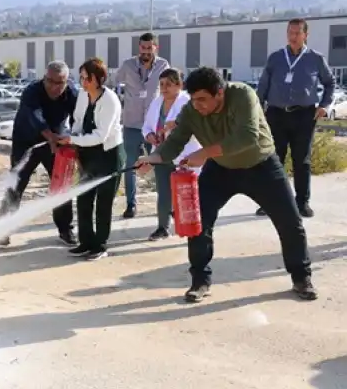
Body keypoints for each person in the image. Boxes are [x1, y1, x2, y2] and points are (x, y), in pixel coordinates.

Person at [136, 67, 317, 303]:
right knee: (198, 223)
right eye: (194, 99)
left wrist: (204, 153)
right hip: (220, 169)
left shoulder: (243, 96)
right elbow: (175, 143)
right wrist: (153, 159)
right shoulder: (192, 110)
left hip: (261, 165)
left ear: (219, 93)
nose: (197, 105)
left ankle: (301, 277)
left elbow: (248, 136)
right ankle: (200, 281)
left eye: (203, 100)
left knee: (290, 223)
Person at [255, 17, 336, 218]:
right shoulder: (275, 58)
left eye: (297, 33)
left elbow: (330, 83)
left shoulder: (315, 59)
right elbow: (263, 85)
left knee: (302, 161)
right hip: (276, 114)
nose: (293, 36)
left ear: (306, 35)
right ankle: (270, 202)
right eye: (290, 32)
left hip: (304, 115)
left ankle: (302, 203)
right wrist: (257, 110)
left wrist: (325, 105)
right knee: (273, 160)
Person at [0, 61, 78, 247]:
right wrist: (49, 136)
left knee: (61, 186)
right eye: (48, 80)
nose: (52, 86)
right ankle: (2, 228)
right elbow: (35, 115)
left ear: (66, 81)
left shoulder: (72, 94)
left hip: (54, 144)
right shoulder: (31, 91)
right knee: (16, 185)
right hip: (25, 143)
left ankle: (65, 229)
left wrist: (74, 140)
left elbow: (78, 119)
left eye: (59, 83)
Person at [57, 58, 125, 261]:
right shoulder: (83, 96)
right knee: (84, 199)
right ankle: (86, 242)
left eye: (87, 78)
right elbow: (77, 121)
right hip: (87, 154)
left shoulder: (110, 100)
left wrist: (73, 139)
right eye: (81, 78)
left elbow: (100, 136)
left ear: (99, 79)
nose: (83, 82)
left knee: (103, 203)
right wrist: (73, 141)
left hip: (108, 155)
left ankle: (100, 245)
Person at [112, 32, 170, 219]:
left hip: (153, 126)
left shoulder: (163, 65)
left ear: (155, 48)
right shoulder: (128, 65)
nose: (146, 51)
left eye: (149, 48)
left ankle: (164, 205)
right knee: (131, 165)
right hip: (131, 124)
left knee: (160, 165)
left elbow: (169, 91)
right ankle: (131, 205)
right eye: (143, 48)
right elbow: (111, 82)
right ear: (139, 47)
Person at [141, 68, 202, 240]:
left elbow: (195, 127)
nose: (164, 88)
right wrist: (149, 135)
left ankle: (190, 226)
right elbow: (146, 126)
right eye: (161, 84)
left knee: (185, 193)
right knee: (163, 192)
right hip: (160, 153)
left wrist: (175, 125)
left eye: (169, 84)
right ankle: (162, 227)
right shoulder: (156, 102)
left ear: (179, 85)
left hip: (183, 155)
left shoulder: (187, 102)